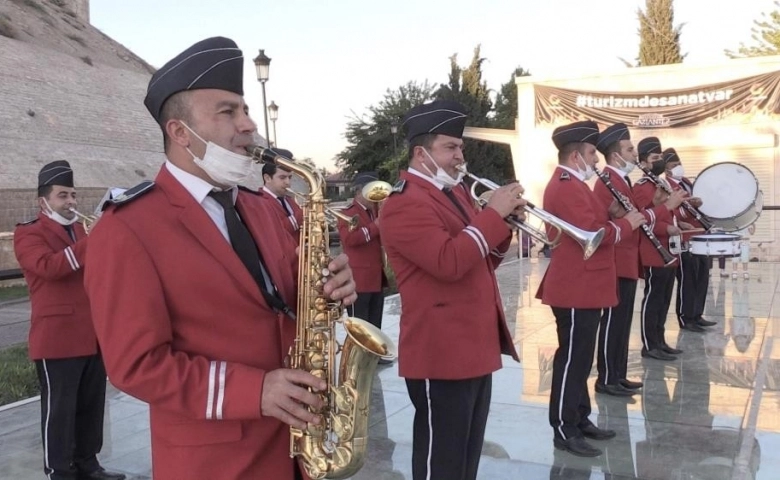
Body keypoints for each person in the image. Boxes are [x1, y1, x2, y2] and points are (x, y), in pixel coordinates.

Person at [82, 37, 356, 480]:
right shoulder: (127, 227)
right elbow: (136, 365)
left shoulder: (262, 207)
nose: (248, 124)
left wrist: (332, 289)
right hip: (214, 462)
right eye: (228, 112)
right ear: (179, 133)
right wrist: (255, 391)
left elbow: (288, 303)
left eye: (245, 110)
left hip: (299, 449)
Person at [379, 99, 525, 480]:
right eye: (451, 147)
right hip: (440, 350)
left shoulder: (455, 192)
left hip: (472, 343)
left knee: (466, 454)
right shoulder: (403, 202)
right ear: (420, 153)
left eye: (460, 147)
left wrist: (505, 224)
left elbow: (482, 259)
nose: (460, 156)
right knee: (441, 460)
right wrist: (492, 214)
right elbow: (449, 262)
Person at [536, 120, 646, 458]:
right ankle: (563, 427)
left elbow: (593, 220)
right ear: (574, 155)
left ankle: (579, 417)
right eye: (589, 154)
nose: (595, 161)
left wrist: (612, 212)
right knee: (571, 359)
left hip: (584, 284)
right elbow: (592, 234)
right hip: (574, 286)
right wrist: (626, 223)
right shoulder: (566, 185)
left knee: (582, 359)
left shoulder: (574, 184)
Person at [14, 161, 126, 480]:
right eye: (63, 195)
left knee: (92, 405)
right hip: (57, 336)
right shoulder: (28, 233)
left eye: (73, 195)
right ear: (43, 201)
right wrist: (95, 241)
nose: (72, 202)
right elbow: (50, 267)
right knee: (59, 411)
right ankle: (59, 470)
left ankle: (88, 463)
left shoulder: (79, 230)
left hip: (91, 333)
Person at [592, 124, 686, 397]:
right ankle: (607, 377)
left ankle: (618, 375)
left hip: (627, 260)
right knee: (613, 322)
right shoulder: (607, 181)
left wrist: (657, 203)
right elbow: (618, 222)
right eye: (630, 149)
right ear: (615, 154)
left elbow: (637, 214)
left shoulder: (622, 180)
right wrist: (664, 207)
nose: (635, 153)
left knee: (622, 323)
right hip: (616, 259)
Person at [633, 137, 684, 361]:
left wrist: (680, 224)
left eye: (661, 157)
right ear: (644, 163)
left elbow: (669, 212)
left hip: (670, 249)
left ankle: (660, 340)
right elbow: (645, 219)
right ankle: (649, 343)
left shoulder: (662, 184)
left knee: (664, 298)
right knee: (653, 298)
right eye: (655, 158)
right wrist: (668, 228)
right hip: (653, 250)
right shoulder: (642, 187)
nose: (660, 161)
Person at [663, 148, 716, 331]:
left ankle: (697, 314)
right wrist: (687, 210)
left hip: (699, 235)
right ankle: (686, 318)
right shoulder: (666, 185)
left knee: (702, 274)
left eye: (679, 163)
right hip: (684, 237)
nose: (679, 167)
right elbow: (669, 210)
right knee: (688, 277)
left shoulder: (685, 182)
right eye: (674, 165)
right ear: (667, 169)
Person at [337, 171, 387, 332]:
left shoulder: (375, 211)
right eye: (371, 191)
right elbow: (350, 240)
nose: (375, 195)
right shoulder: (348, 212)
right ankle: (360, 357)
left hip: (376, 277)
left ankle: (375, 357)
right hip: (359, 279)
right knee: (360, 326)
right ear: (359, 192)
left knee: (375, 323)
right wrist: (375, 226)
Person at [259, 150, 304, 242]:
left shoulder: (289, 200)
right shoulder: (258, 201)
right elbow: (276, 230)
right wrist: (305, 212)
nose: (288, 183)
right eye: (282, 177)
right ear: (267, 178)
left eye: (289, 177)